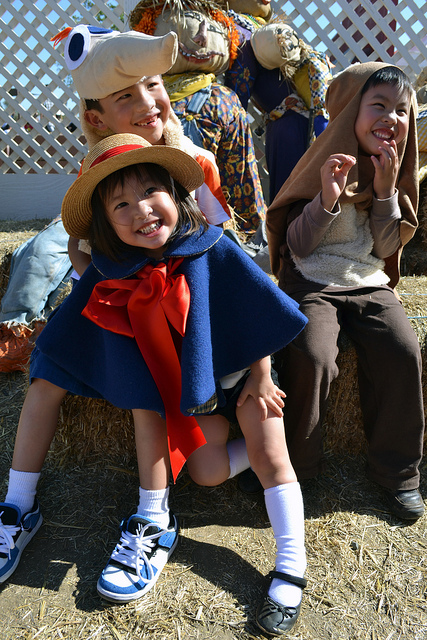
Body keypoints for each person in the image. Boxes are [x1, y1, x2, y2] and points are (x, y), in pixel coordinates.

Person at [0, 133, 308, 637]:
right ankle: (251, 450)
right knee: (206, 472)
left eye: (150, 192)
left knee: (271, 450)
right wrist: (83, 269)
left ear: (175, 194)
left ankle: (290, 565)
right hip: (199, 390)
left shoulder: (212, 247)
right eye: (121, 204)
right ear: (105, 223)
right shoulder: (118, 269)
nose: (140, 210)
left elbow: (257, 311)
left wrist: (262, 376)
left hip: (246, 375)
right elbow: (86, 318)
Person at [0, 26, 232, 369]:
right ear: (96, 119)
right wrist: (94, 288)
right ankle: (17, 332)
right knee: (38, 250)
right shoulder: (94, 171)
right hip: (109, 248)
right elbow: (79, 241)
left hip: (166, 280)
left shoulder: (196, 163)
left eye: (153, 84)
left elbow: (220, 239)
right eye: (125, 96)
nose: (147, 103)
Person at [267, 62, 425, 521]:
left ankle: (398, 473)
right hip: (313, 281)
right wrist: (328, 198)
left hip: (368, 282)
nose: (392, 118)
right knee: (314, 355)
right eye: (378, 105)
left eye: (401, 110)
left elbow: (386, 248)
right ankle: (295, 469)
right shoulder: (321, 166)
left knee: (404, 350)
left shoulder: (390, 170)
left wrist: (383, 192)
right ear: (350, 111)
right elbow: (296, 244)